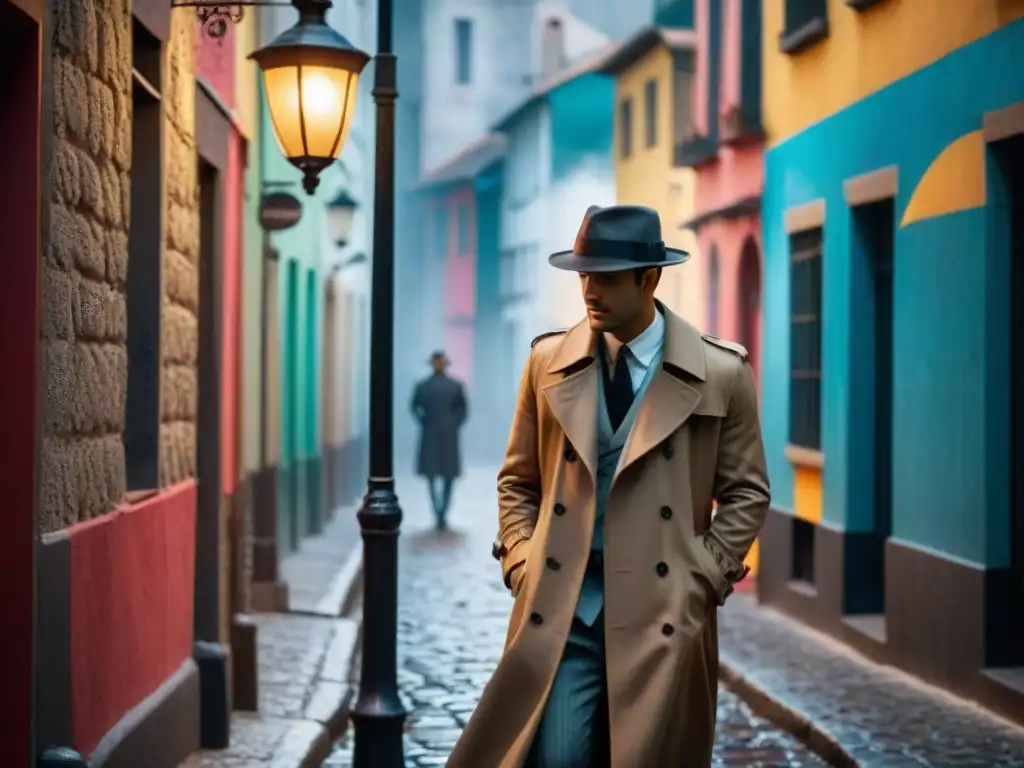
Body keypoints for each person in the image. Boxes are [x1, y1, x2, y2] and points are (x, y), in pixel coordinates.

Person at [447, 205, 770, 767]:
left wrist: (701, 577)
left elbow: (747, 491)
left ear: (650, 279)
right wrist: (522, 563)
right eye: (583, 276)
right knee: (557, 758)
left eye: (607, 278)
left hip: (662, 616)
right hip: (564, 611)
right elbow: (517, 481)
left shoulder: (720, 373)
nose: (590, 291)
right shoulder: (548, 362)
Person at [411, 350, 468, 529]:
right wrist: (453, 423)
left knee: (444, 476)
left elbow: (463, 410)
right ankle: (439, 510)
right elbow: (414, 407)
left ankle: (441, 510)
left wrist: (453, 424)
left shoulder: (452, 386)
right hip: (441, 434)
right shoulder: (425, 386)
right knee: (434, 475)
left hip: (441, 434)